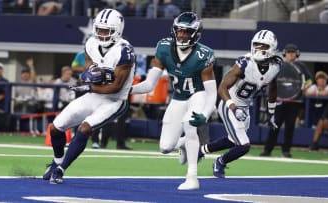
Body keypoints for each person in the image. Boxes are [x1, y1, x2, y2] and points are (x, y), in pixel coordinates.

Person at [43, 9, 135, 184]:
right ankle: (56, 162)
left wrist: (90, 85)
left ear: (117, 30)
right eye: (99, 29)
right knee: (55, 128)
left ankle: (61, 171)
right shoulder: (91, 43)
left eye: (106, 30)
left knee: (84, 129)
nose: (101, 34)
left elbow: (115, 86)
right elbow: (88, 70)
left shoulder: (124, 50)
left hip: (114, 100)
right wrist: (88, 76)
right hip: (93, 94)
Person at [132, 12, 217, 190]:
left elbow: (211, 92)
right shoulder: (163, 48)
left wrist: (205, 114)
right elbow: (148, 84)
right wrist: (126, 89)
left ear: (195, 34)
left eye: (187, 32)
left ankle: (192, 177)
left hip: (197, 94)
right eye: (179, 31)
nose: (182, 35)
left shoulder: (203, 54)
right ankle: (184, 143)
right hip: (178, 98)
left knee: (190, 124)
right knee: (165, 147)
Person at [196, 30, 282, 178]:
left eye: (263, 46)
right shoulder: (245, 63)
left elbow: (272, 88)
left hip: (245, 107)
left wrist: (271, 113)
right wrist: (233, 108)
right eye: (256, 45)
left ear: (272, 48)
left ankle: (200, 151)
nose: (258, 49)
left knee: (232, 140)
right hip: (230, 103)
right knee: (243, 145)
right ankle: (220, 162)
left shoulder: (276, 65)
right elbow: (222, 87)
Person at [260, 43, 313, 158]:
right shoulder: (279, 65)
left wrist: (306, 86)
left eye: (293, 52)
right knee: (274, 125)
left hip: (295, 102)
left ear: (297, 54)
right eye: (289, 52)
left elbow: (309, 79)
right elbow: (269, 78)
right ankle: (267, 150)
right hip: (279, 100)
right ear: (285, 54)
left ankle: (286, 151)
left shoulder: (301, 66)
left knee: (290, 127)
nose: (291, 54)